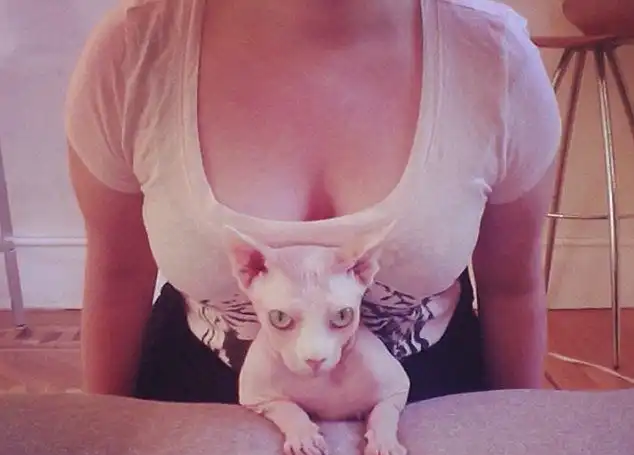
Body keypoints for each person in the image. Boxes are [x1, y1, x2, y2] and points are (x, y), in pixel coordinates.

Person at [65, 0, 561, 404]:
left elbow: (511, 287)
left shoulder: (496, 56)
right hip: (197, 398)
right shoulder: (131, 52)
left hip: (430, 400)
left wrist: (518, 445)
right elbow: (118, 276)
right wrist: (102, 443)